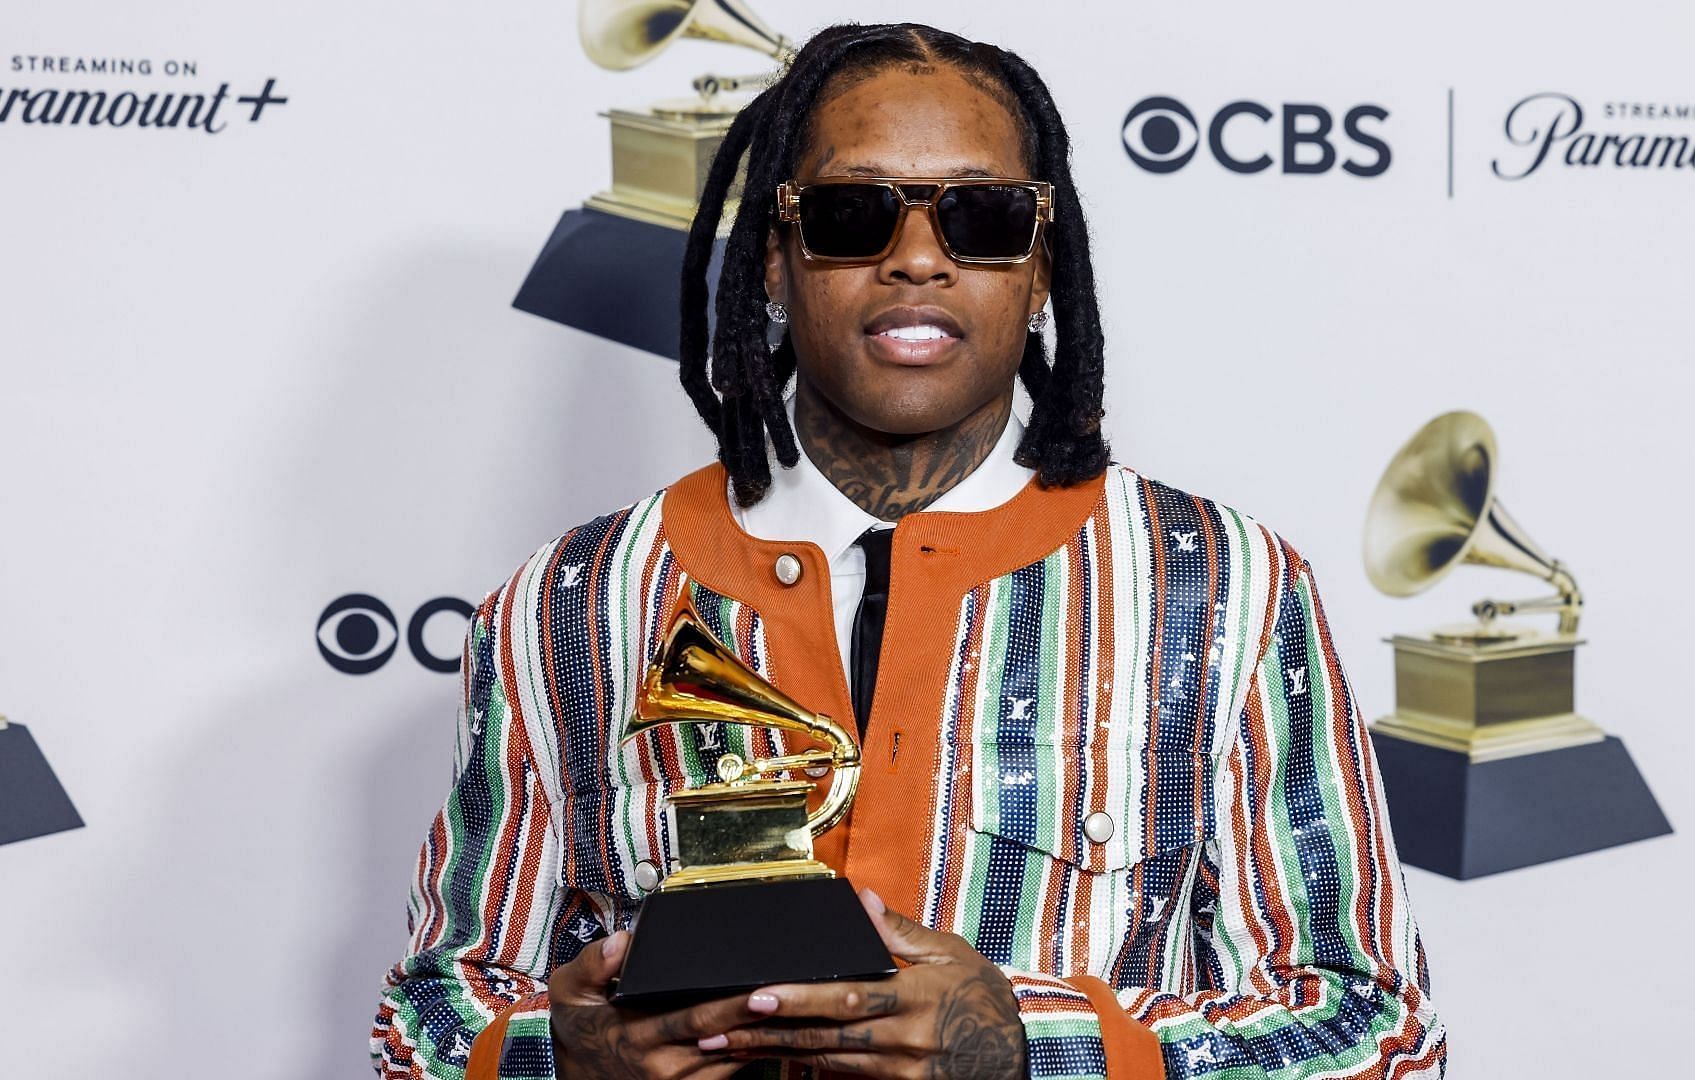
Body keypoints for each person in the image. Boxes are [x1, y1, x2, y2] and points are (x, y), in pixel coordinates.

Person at [372, 21, 1445, 1080]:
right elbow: (423, 1023)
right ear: (776, 263)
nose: (918, 257)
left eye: (984, 216)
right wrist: (557, 1058)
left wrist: (1031, 1047)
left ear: (1040, 270)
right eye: (852, 213)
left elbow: (1379, 1036)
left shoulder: (1225, 590)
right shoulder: (569, 600)